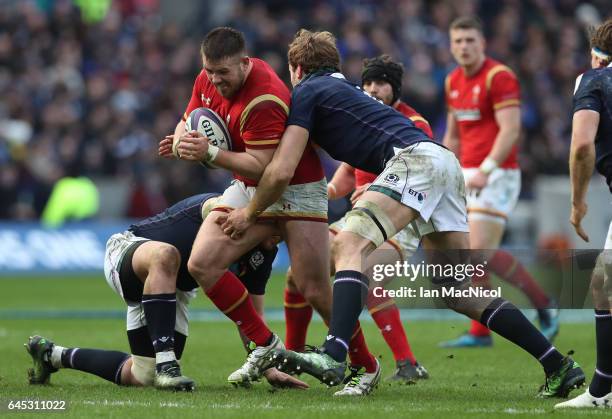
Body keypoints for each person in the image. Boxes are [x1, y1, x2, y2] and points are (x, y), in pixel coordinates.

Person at [220, 29, 584, 399]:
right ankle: (558, 365)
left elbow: (283, 168)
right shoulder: (343, 90)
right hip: (443, 164)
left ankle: (333, 353)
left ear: (296, 69)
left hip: (414, 163)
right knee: (456, 290)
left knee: (348, 243)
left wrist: (251, 211)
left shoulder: (306, 92)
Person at [158, 27, 379, 389]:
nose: (215, 80)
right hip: (250, 187)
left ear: (244, 64)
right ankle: (266, 346)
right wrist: (182, 139)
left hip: (297, 188)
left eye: (223, 74)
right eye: (210, 72)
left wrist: (209, 154)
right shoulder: (207, 77)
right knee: (202, 263)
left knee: (315, 289)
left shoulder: (266, 98)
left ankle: (366, 365)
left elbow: (264, 165)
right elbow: (190, 118)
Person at [25, 193, 308, 391]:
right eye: (277, 226)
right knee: (166, 254)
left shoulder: (263, 254)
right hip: (130, 250)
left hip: (172, 290)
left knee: (142, 375)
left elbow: (250, 318)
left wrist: (269, 366)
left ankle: (52, 356)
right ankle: (167, 364)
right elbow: (214, 206)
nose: (279, 238)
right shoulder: (225, 209)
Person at [283, 55, 431, 385]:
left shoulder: (414, 125)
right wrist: (321, 193)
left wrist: (375, 190)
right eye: (367, 83)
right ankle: (292, 356)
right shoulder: (364, 118)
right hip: (361, 219)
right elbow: (345, 177)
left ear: (396, 89)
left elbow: (416, 175)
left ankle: (404, 361)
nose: (373, 89)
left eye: (381, 82)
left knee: (367, 278)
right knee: (297, 274)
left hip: (398, 223)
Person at [440, 16, 559, 348]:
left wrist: (487, 168)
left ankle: (543, 302)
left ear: (483, 43)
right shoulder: (452, 81)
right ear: (451, 46)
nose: (464, 47)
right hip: (466, 172)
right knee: (471, 253)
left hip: (498, 172)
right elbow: (453, 135)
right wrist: (444, 170)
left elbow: (511, 130)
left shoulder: (498, 76)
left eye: (470, 40)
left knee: (480, 250)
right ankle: (481, 331)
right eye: (458, 41)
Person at [555, 19, 612, 409]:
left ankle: (603, 390)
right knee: (603, 283)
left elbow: (581, 147)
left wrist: (577, 203)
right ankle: (603, 388)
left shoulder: (593, 80)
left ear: (596, 54)